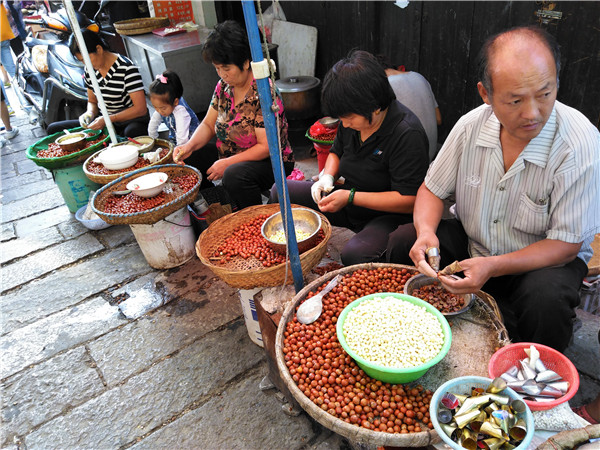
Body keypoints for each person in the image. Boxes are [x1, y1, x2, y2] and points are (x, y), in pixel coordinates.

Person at [386, 26, 600, 352]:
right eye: (515, 100)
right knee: (404, 242)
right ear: (486, 94)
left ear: (557, 81)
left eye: (545, 93)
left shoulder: (579, 143)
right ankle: (414, 335)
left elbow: (566, 245)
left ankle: (535, 375)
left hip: (543, 262)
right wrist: (425, 231)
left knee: (546, 299)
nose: (532, 113)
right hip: (477, 243)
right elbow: (432, 190)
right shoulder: (471, 126)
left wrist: (494, 266)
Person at [272, 50, 429, 266]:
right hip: (347, 199)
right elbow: (336, 152)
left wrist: (351, 196)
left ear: (374, 106)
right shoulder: (353, 121)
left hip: (385, 216)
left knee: (355, 255)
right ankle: (286, 258)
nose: (345, 125)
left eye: (349, 118)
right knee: (279, 191)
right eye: (342, 119)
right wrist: (327, 177)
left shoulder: (407, 133)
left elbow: (409, 200)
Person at [173, 20, 294, 208]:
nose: (222, 74)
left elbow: (266, 147)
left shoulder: (264, 92)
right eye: (217, 68)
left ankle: (253, 218)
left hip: (270, 161)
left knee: (234, 175)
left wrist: (227, 163)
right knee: (190, 157)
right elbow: (207, 125)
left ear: (245, 63)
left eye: (226, 68)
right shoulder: (223, 87)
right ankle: (217, 206)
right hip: (230, 153)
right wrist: (188, 146)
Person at [46, 29, 149, 137]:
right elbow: (92, 101)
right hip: (103, 120)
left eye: (86, 58)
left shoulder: (126, 68)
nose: (85, 64)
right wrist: (89, 114)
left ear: (99, 49)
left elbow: (140, 109)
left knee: (132, 132)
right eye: (81, 60)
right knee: (53, 129)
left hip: (128, 121)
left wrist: (107, 119)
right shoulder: (89, 70)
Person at [377, 55, 441, 161]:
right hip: (430, 155)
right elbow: (438, 119)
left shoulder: (385, 85)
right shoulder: (419, 77)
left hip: (409, 161)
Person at [147, 69, 199, 146]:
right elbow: (153, 124)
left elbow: (182, 139)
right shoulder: (160, 108)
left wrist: (178, 153)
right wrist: (153, 141)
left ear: (175, 102)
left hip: (192, 142)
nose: (159, 111)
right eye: (155, 107)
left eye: (163, 108)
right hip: (175, 139)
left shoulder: (181, 112)